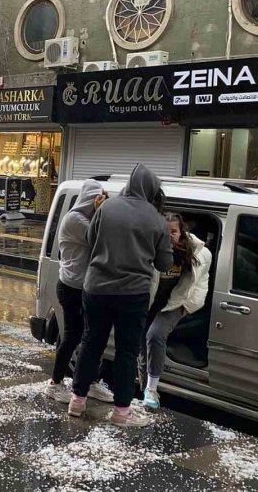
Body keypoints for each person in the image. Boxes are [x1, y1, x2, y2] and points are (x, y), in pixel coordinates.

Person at [68, 164, 173, 428]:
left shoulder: (106, 207)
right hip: (131, 294)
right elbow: (164, 264)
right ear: (151, 189)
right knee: (127, 352)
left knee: (91, 342)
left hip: (96, 289)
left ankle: (77, 401)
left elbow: (91, 238)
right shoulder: (157, 220)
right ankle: (121, 411)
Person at [44, 180, 116, 404]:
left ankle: (90, 381)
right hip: (71, 287)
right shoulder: (75, 219)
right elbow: (99, 236)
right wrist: (102, 209)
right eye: (97, 200)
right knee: (72, 336)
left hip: (87, 288)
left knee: (92, 337)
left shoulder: (87, 218)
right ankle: (55, 384)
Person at [140, 213, 212, 409]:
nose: (170, 235)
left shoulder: (199, 254)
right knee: (143, 349)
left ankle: (152, 389)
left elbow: (201, 284)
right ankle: (145, 394)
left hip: (175, 302)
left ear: (182, 232)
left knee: (155, 336)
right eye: (166, 231)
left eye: (174, 231)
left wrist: (188, 305)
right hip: (150, 301)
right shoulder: (150, 247)